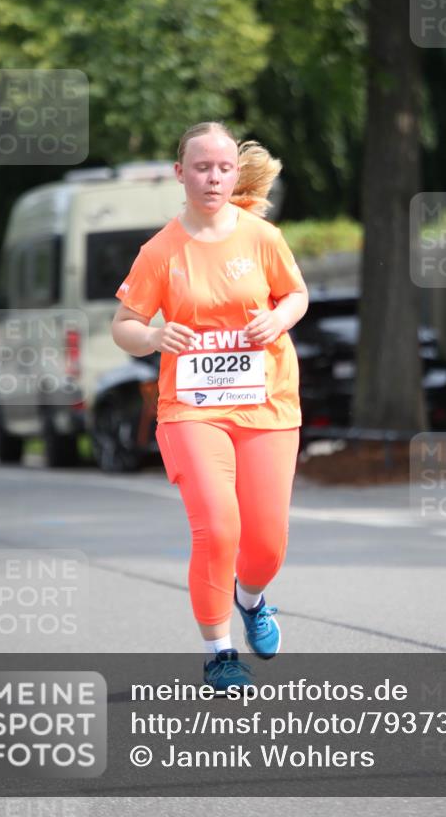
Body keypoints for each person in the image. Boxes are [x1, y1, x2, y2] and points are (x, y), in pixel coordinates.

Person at [111, 121, 309, 691]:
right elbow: (124, 325)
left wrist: (279, 316)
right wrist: (151, 339)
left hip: (268, 404)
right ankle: (218, 653)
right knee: (219, 529)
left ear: (234, 173)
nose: (213, 177)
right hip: (192, 410)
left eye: (223, 167)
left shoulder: (261, 237)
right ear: (181, 174)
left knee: (267, 541)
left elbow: (296, 293)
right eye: (201, 167)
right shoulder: (161, 251)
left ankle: (252, 598)